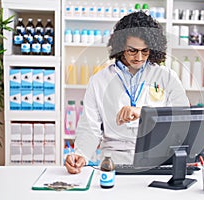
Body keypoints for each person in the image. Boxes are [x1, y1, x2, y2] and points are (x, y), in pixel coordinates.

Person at [65, 11, 189, 174]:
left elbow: (184, 118)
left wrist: (144, 113)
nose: (139, 57)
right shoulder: (99, 80)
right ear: (120, 47)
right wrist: (80, 155)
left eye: (145, 51)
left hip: (157, 160)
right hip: (114, 162)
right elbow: (90, 127)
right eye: (132, 50)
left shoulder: (166, 76)